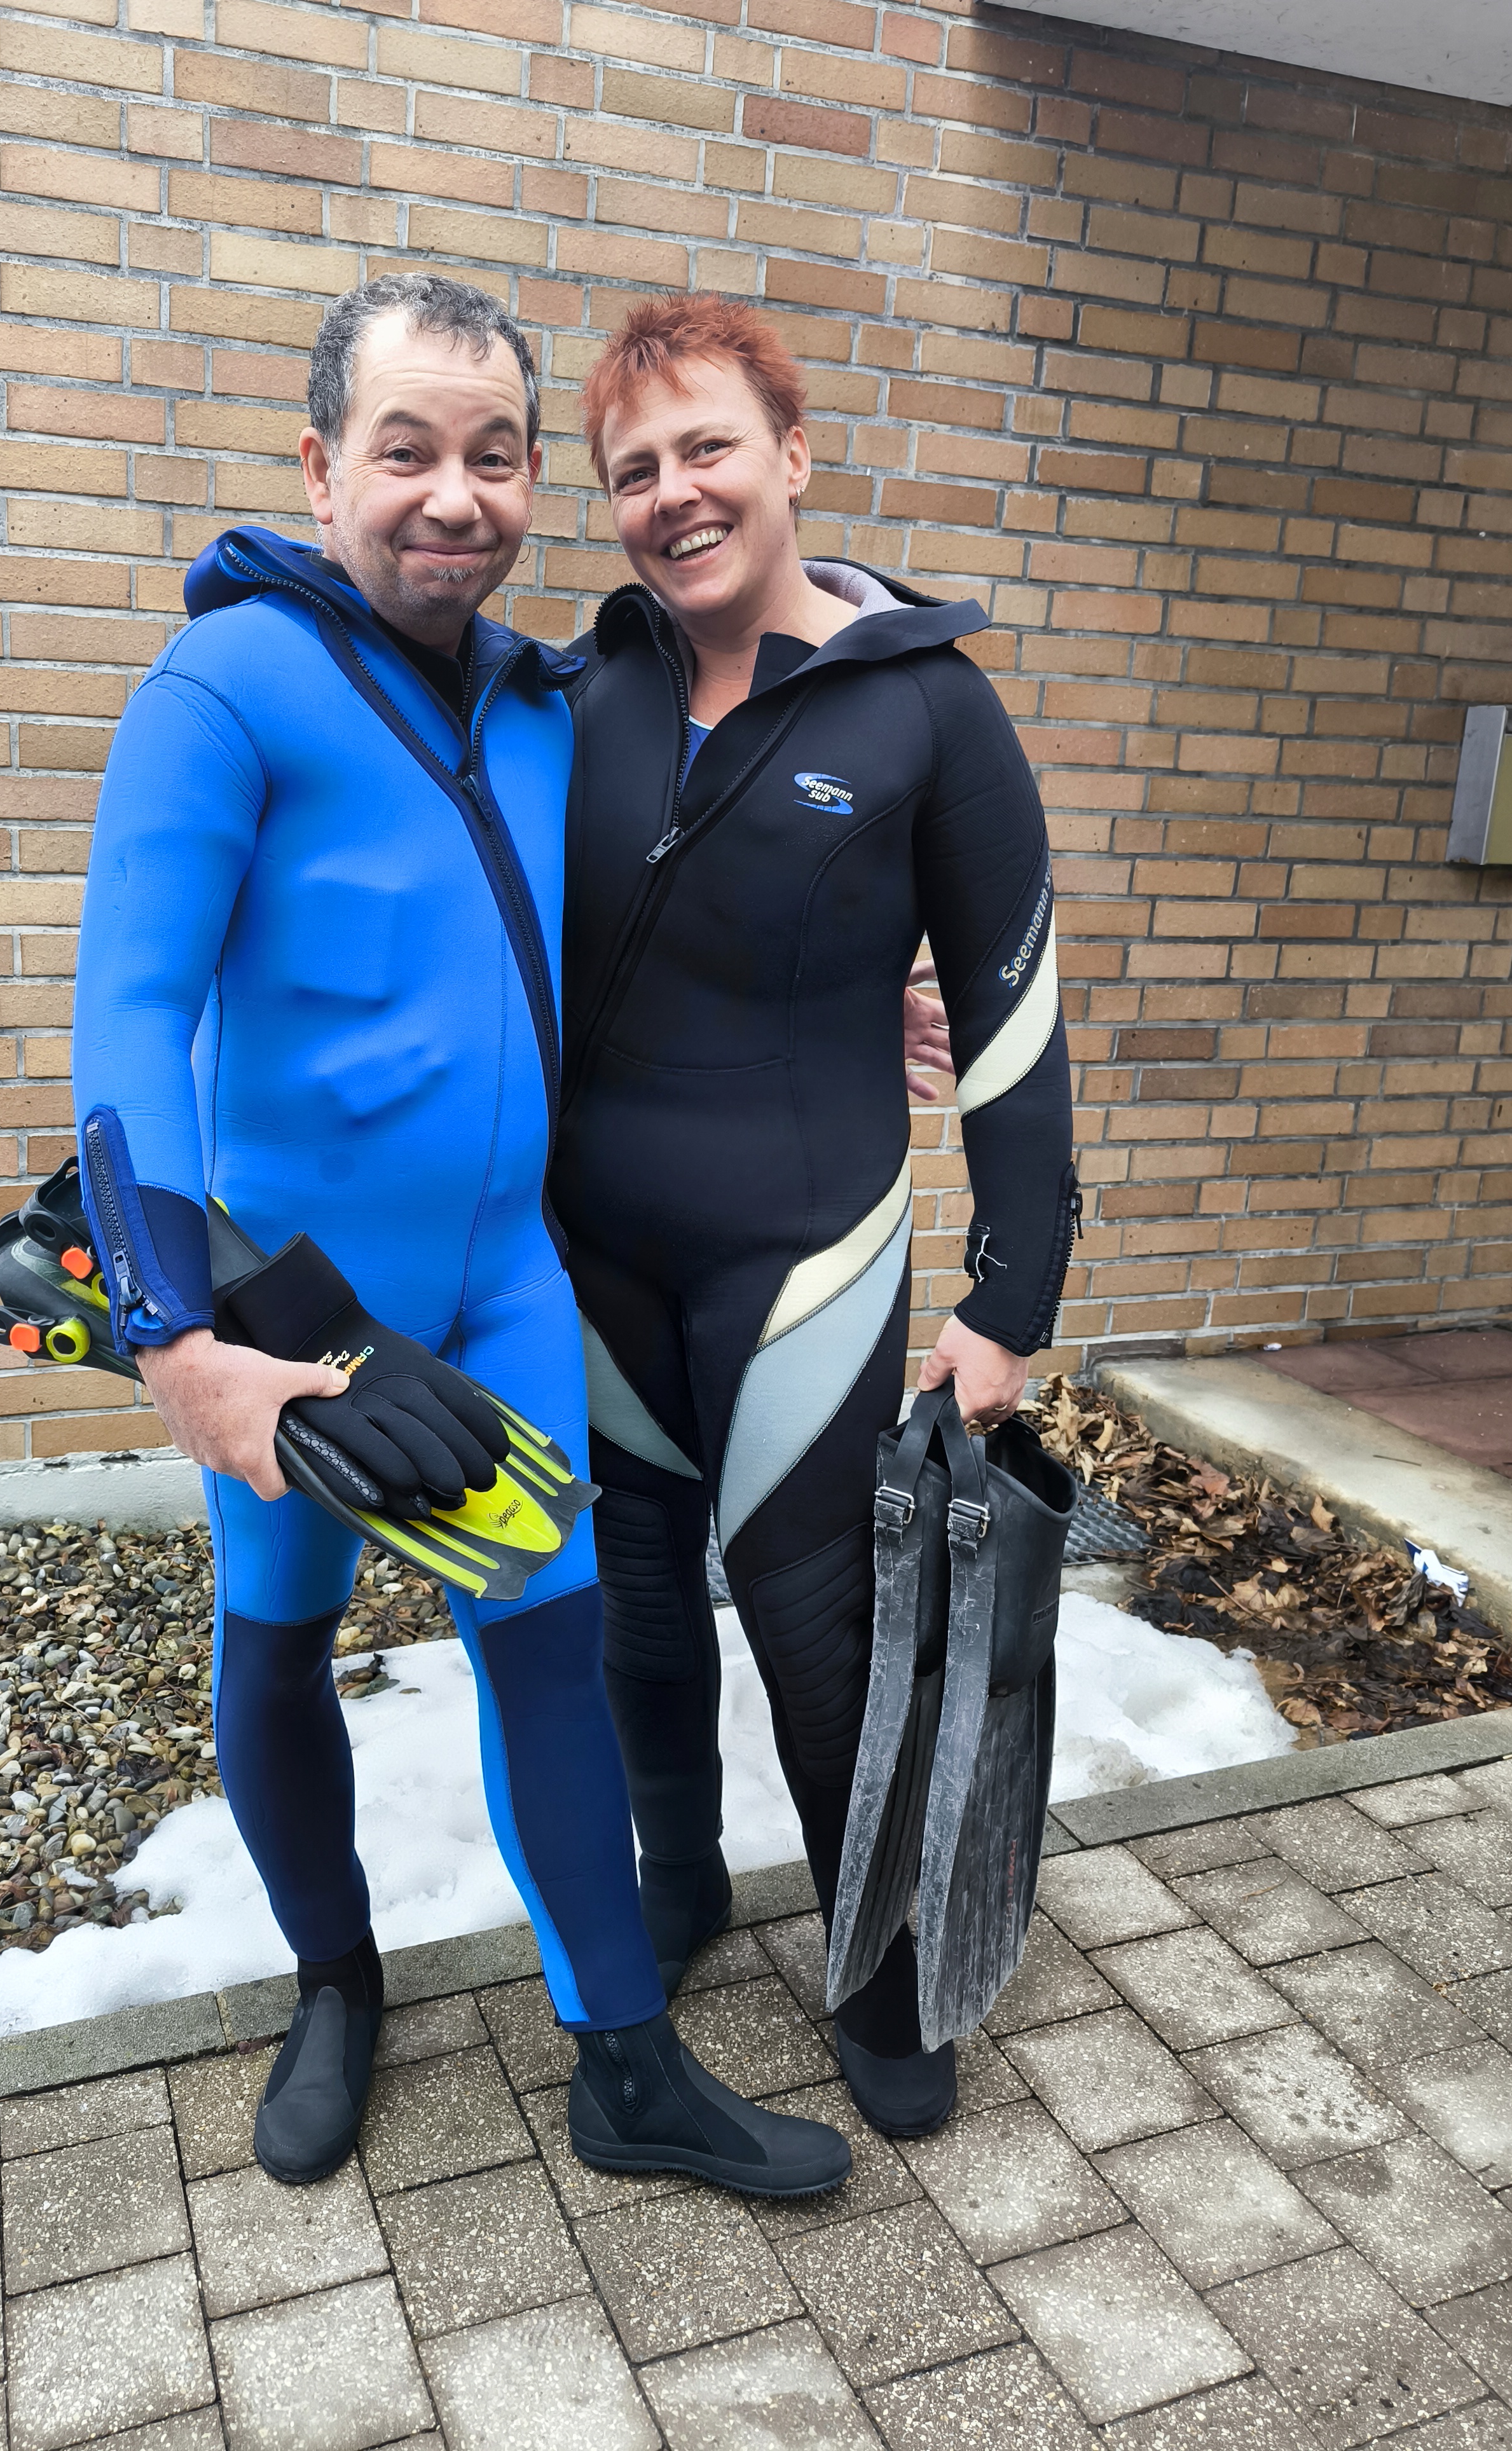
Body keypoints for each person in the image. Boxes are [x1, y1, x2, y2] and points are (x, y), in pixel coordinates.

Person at [71, 274, 851, 2197]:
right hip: (295, 1314)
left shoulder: (549, 706)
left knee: (548, 1652)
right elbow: (128, 1023)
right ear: (320, 464)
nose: (454, 495)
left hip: (505, 1288)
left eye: (495, 456)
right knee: (281, 1646)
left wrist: (871, 1002)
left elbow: (692, 914)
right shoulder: (220, 692)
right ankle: (336, 1987)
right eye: (405, 449)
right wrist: (184, 1344)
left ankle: (626, 2070)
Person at [553, 294, 1078, 2139]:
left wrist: (1011, 1299)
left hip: (805, 1251)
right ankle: (680, 1879)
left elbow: (1011, 1018)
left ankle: (877, 1960)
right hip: (595, 1254)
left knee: (810, 1618)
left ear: (791, 454)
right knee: (636, 1599)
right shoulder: (584, 684)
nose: (675, 494)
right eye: (635, 469)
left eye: (709, 447)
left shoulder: (927, 703)